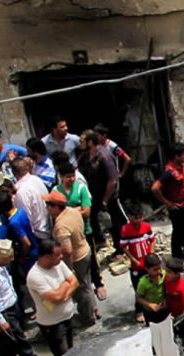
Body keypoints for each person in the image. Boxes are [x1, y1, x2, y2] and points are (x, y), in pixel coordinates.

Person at [0, 239, 48, 356]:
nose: (12, 258)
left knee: (7, 343)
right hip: (4, 314)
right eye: (9, 256)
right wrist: (2, 322)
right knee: (21, 343)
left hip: (11, 307)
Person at [53, 158, 105, 304]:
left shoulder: (81, 188)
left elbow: (87, 212)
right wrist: (77, 210)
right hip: (66, 234)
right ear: (61, 177)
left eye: (73, 175)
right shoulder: (56, 191)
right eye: (68, 176)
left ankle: (98, 283)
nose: (72, 179)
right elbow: (55, 213)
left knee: (92, 259)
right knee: (70, 261)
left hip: (84, 231)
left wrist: (67, 212)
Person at [45, 190, 96, 327]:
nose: (46, 209)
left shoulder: (61, 226)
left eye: (48, 206)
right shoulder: (73, 211)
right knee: (87, 284)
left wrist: (70, 269)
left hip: (77, 259)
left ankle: (87, 318)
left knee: (81, 290)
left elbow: (67, 251)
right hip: (85, 250)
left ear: (56, 207)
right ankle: (93, 309)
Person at [27, 239, 79, 356]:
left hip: (68, 317)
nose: (61, 257)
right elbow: (56, 297)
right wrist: (65, 284)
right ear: (46, 257)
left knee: (71, 353)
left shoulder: (58, 264)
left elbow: (74, 281)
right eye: (57, 255)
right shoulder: (35, 276)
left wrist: (64, 294)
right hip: (53, 325)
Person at [78, 129, 125, 253]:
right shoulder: (86, 156)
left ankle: (120, 249)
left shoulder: (104, 156)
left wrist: (105, 200)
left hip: (108, 197)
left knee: (114, 223)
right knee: (92, 219)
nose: (79, 143)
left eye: (82, 141)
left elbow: (112, 181)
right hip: (93, 195)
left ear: (90, 142)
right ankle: (100, 240)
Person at [152, 144, 184, 261]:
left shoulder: (181, 165)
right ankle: (177, 255)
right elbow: (155, 188)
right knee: (178, 231)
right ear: (177, 156)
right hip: (177, 207)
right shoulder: (169, 172)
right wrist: (167, 203)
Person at [0, 190, 38, 307]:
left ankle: (39, 308)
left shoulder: (13, 222)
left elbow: (26, 243)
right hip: (35, 250)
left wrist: (23, 257)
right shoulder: (20, 212)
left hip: (29, 256)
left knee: (33, 284)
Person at [121, 202, 156, 324]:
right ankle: (139, 311)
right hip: (136, 266)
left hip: (148, 263)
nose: (139, 220)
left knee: (152, 285)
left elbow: (152, 240)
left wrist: (151, 254)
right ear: (130, 217)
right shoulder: (126, 230)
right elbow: (124, 247)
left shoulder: (146, 226)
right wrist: (133, 260)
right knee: (139, 289)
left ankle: (152, 306)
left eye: (140, 216)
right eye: (136, 217)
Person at [11, 156, 51, 240]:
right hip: (47, 228)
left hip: (38, 235)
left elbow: (26, 220)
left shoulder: (21, 192)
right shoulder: (37, 179)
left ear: (13, 172)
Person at [135, 253, 170, 325]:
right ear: (146, 269)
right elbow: (138, 298)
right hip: (150, 312)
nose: (158, 271)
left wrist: (166, 299)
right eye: (155, 270)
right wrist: (150, 305)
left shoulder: (164, 275)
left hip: (164, 308)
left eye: (159, 268)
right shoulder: (143, 283)